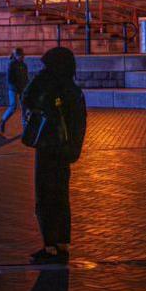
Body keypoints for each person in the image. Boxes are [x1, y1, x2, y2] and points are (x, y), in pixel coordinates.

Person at [23, 46, 88, 264]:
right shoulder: (74, 90)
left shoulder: (47, 86)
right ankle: (62, 244)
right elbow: (79, 124)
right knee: (61, 197)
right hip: (64, 151)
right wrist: (74, 150)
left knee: (45, 197)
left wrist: (41, 77)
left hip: (47, 148)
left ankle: (49, 245)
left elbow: (27, 98)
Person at [0, 48, 31, 137]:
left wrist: (26, 87)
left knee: (24, 107)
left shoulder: (24, 65)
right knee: (13, 106)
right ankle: (3, 121)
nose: (22, 57)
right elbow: (10, 79)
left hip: (22, 88)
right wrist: (16, 86)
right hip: (13, 88)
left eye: (22, 55)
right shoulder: (12, 65)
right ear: (16, 56)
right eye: (20, 55)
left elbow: (26, 77)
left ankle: (25, 128)